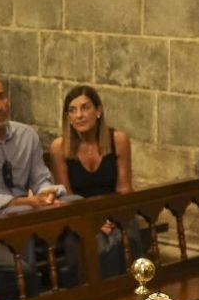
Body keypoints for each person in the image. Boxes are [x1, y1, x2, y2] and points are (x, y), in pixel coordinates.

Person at [0, 75, 80, 297]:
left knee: (75, 204)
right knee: (22, 213)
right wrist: (25, 202)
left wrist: (46, 194)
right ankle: (28, 299)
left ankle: (79, 285)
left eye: (0, 98)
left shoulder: (26, 134)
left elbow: (40, 178)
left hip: (29, 208)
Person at [48, 84, 136, 277]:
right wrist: (92, 220)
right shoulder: (59, 147)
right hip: (79, 215)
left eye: (85, 107)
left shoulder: (118, 140)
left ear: (98, 111)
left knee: (120, 240)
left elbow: (124, 189)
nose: (79, 115)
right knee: (87, 243)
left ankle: (124, 295)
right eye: (72, 110)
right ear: (68, 118)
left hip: (116, 211)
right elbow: (67, 197)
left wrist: (110, 217)